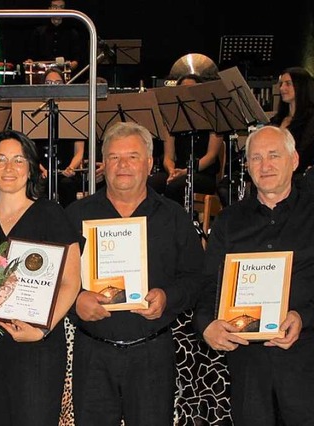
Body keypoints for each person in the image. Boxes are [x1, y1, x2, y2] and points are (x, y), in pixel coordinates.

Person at [65, 121, 205, 425]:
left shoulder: (173, 217)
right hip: (93, 353)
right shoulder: (76, 216)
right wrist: (76, 301)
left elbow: (196, 278)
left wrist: (168, 298)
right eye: (114, 157)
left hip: (152, 354)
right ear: (103, 165)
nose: (123, 165)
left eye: (132, 156)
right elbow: (58, 278)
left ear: (150, 162)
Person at [193, 125, 314, 425]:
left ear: (294, 159)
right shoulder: (229, 221)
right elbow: (208, 284)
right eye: (256, 158)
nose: (265, 165)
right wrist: (207, 325)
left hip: (306, 360)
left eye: (274, 155)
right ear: (247, 167)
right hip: (248, 366)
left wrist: (304, 317)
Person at [0, 129, 81, 425]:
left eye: (18, 160)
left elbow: (71, 281)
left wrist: (43, 330)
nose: (9, 168)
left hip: (37, 347)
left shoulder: (52, 215)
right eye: (0, 160)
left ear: (31, 170)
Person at [149, 74, 223, 205]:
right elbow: (168, 157)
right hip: (177, 171)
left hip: (202, 174)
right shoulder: (172, 119)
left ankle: (176, 221)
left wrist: (187, 171)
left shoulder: (213, 117)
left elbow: (211, 156)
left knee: (176, 187)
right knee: (151, 183)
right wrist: (172, 171)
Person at [39, 68, 85, 206]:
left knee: (67, 185)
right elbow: (29, 149)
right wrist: (41, 169)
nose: (53, 86)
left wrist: (71, 167)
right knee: (40, 186)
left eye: (58, 83)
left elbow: (79, 151)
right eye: (49, 83)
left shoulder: (75, 110)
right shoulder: (35, 110)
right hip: (43, 170)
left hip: (67, 170)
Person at [269, 67, 314, 183]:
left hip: (297, 176)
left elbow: (303, 152)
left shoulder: (310, 120)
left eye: (288, 84)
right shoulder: (276, 120)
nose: (282, 88)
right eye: (281, 84)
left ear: (301, 87)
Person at [27, 0, 83, 72]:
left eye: (61, 7)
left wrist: (74, 64)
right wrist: (30, 62)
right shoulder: (38, 31)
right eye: (55, 7)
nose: (58, 10)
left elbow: (76, 58)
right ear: (49, 9)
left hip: (65, 73)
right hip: (43, 73)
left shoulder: (72, 32)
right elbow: (31, 56)